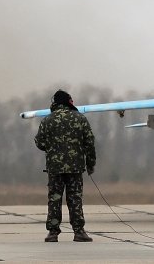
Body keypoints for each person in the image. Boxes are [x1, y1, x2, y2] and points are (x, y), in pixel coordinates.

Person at [34, 89, 96, 243]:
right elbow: (89, 143)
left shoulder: (48, 120)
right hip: (75, 168)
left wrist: (52, 149)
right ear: (69, 101)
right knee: (75, 198)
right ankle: (79, 232)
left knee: (54, 198)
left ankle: (53, 233)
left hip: (55, 167)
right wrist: (90, 164)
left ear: (55, 102)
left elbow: (39, 142)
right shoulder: (80, 119)